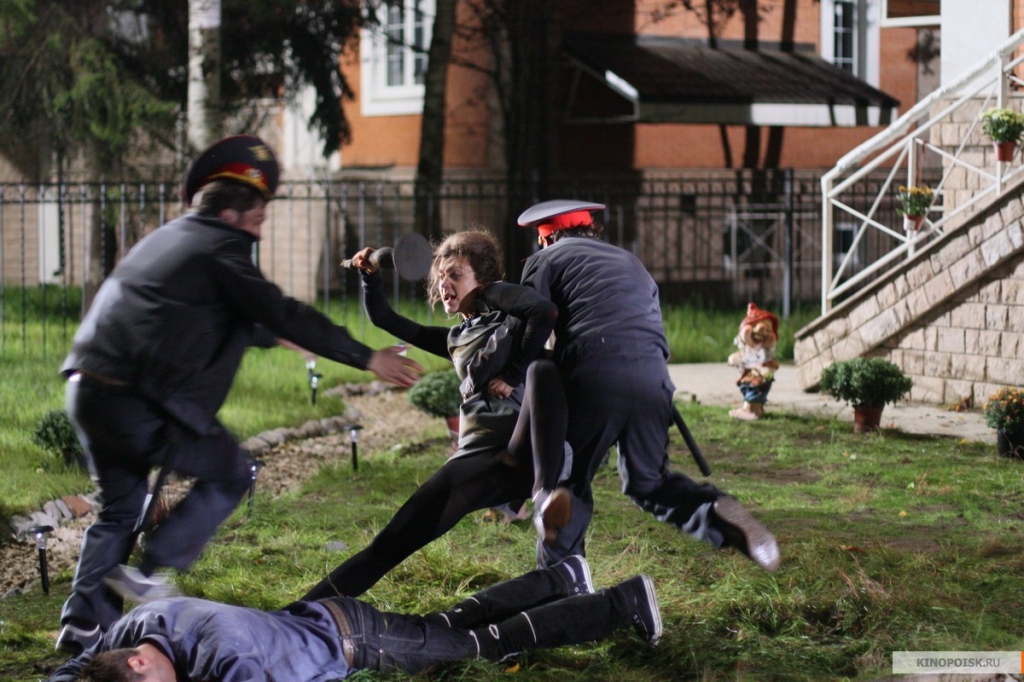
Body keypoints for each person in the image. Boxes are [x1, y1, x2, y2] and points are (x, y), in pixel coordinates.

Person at [54, 135, 423, 655]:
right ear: (230, 215)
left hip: (89, 390)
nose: (259, 230)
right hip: (139, 403)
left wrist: (278, 337)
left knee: (119, 511)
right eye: (257, 220)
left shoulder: (172, 238)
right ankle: (153, 569)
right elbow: (278, 308)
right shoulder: (219, 247)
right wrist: (368, 358)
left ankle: (82, 630)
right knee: (230, 471)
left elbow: (205, 315)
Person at [302, 230, 572, 600]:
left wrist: (512, 374)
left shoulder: (501, 307)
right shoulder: (456, 338)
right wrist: (370, 276)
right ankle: (300, 614)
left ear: (483, 279)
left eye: (455, 275)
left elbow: (543, 311)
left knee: (544, 372)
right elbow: (384, 318)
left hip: (522, 445)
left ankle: (544, 499)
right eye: (441, 277)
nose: (444, 284)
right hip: (480, 459)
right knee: (391, 543)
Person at [518, 199, 781, 572]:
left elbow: (530, 326)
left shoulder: (544, 260)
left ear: (546, 238)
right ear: (591, 230)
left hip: (594, 374)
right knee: (649, 483)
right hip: (653, 377)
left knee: (569, 482)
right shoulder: (631, 263)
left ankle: (562, 583)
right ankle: (715, 512)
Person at [46, 556, 660, 682]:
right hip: (333, 619)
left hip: (355, 642)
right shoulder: (139, 626)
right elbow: (77, 668)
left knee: (482, 646)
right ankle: (561, 578)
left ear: (138, 664)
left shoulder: (225, 657)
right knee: (447, 623)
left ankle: (625, 602)